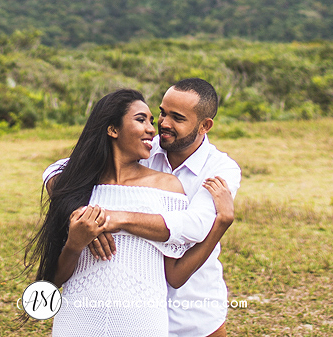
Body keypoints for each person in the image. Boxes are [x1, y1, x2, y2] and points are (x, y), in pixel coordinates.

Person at [42, 78, 243, 337]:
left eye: (177, 118)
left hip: (192, 306)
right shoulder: (144, 147)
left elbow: (195, 225)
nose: (162, 124)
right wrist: (82, 215)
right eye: (162, 113)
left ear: (205, 125)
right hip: (123, 312)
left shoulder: (220, 169)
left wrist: (115, 219)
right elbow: (58, 170)